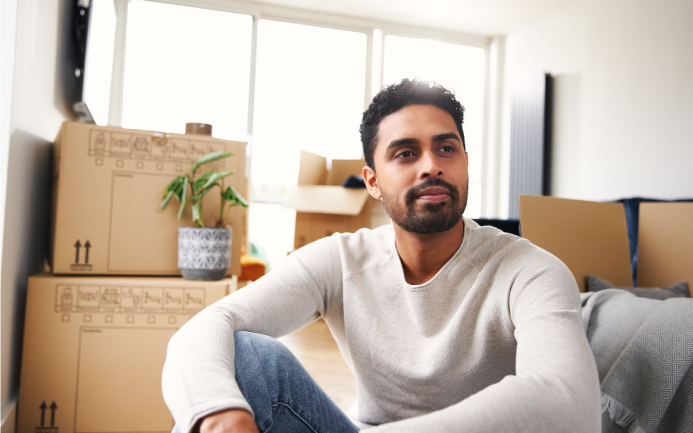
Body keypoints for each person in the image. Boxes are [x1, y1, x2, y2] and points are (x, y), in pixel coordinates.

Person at [162, 79, 601, 433]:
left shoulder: (530, 270)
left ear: (466, 163)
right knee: (248, 358)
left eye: (446, 148)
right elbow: (207, 327)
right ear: (372, 181)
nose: (431, 165)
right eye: (405, 153)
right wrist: (216, 412)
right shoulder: (343, 259)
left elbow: (571, 406)